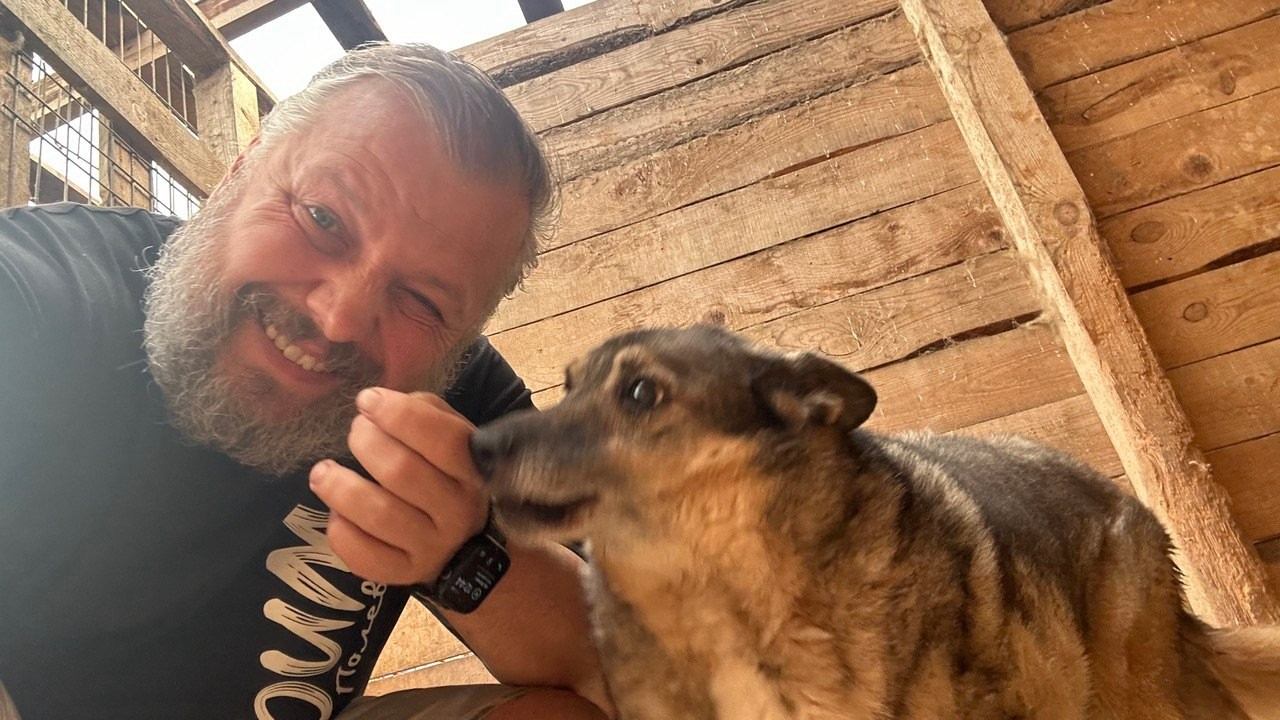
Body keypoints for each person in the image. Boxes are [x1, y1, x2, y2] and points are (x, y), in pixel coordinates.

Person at [0, 43, 611, 720]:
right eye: (323, 219)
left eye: (421, 300)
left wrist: (467, 554)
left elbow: (635, 673)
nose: (339, 318)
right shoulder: (44, 295)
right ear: (240, 171)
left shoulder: (457, 404)